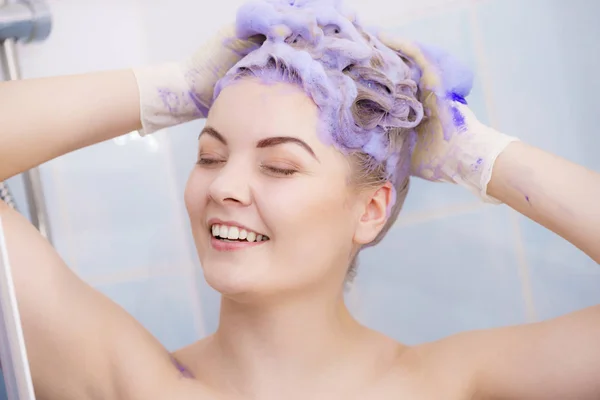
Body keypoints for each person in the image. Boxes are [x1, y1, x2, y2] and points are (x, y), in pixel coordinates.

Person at [1, 0, 599, 398]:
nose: (224, 186)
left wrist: (483, 158)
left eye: (279, 166)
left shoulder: (452, 384)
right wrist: (172, 89)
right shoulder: (133, 383)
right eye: (210, 156)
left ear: (371, 210)